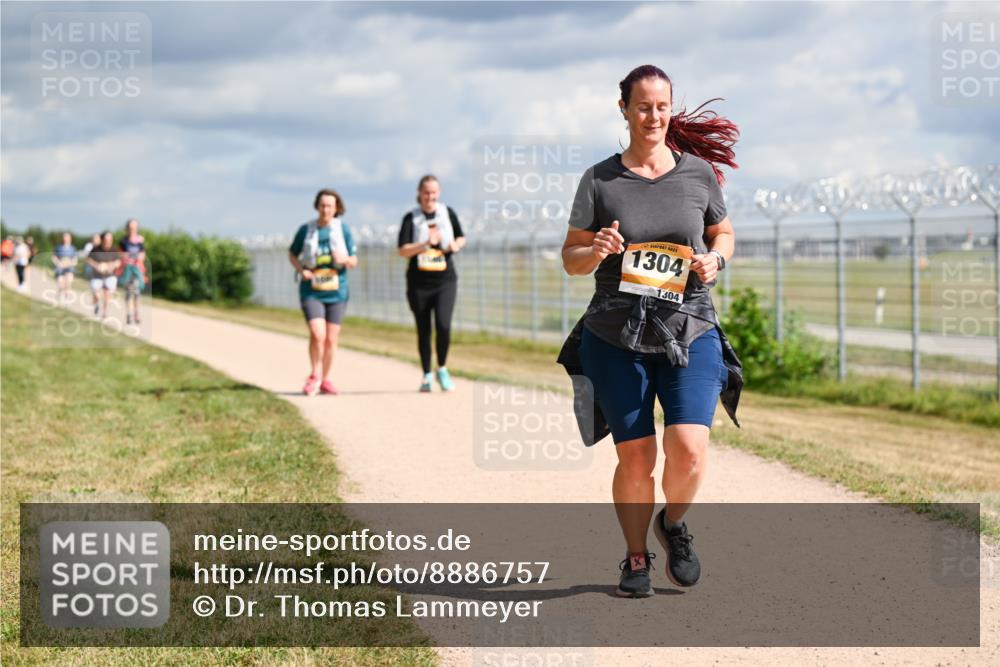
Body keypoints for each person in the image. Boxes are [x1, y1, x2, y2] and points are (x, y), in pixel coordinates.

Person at [557, 65, 743, 598]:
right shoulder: (599, 179)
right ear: (624, 110)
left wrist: (715, 260)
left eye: (662, 106)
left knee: (688, 448)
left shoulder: (697, 174)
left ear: (671, 108)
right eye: (643, 106)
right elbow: (569, 258)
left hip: (691, 326)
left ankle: (674, 525)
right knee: (636, 455)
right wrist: (592, 251)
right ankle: (635, 556)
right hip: (616, 332)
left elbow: (722, 232)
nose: (653, 116)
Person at [397, 175, 466, 392]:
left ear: (439, 192)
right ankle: (426, 374)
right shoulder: (411, 218)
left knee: (444, 325)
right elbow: (402, 250)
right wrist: (426, 243)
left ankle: (442, 368)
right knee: (424, 329)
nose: (430, 196)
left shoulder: (447, 213)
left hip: (445, 280)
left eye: (434, 192)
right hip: (419, 282)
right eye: (426, 192)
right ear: (419, 193)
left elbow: (462, 237)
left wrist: (455, 245)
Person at [288, 189, 358, 396]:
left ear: (337, 208)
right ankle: (314, 375)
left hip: (337, 290)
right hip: (312, 290)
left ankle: (326, 379)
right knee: (318, 334)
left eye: (330, 206)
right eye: (323, 205)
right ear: (317, 206)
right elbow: (292, 254)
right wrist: (302, 270)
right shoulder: (306, 230)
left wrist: (344, 259)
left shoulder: (343, 230)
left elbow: (354, 260)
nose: (326, 209)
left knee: (330, 339)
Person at [118, 219, 147, 325]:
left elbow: (143, 255)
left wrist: (135, 258)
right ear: (127, 229)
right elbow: (121, 255)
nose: (132, 230)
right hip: (127, 271)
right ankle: (129, 314)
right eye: (130, 228)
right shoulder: (123, 242)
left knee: (137, 294)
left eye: (134, 228)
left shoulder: (140, 242)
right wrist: (129, 258)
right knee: (129, 293)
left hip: (137, 271)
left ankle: (136, 313)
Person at [86, 232, 121, 318]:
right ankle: (97, 304)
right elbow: (88, 259)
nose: (108, 242)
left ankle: (105, 312)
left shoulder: (114, 250)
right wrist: (96, 265)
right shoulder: (95, 249)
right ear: (102, 240)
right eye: (106, 240)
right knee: (97, 294)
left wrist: (111, 265)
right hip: (97, 276)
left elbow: (118, 262)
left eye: (110, 240)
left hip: (110, 276)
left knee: (107, 294)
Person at [52, 232, 79, 303]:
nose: (65, 239)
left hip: (69, 269)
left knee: (68, 282)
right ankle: (59, 295)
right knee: (60, 282)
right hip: (60, 269)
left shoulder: (73, 249)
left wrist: (70, 263)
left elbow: (75, 260)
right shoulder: (58, 247)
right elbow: (54, 257)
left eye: (67, 238)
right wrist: (58, 263)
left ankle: (66, 299)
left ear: (70, 239)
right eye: (64, 237)